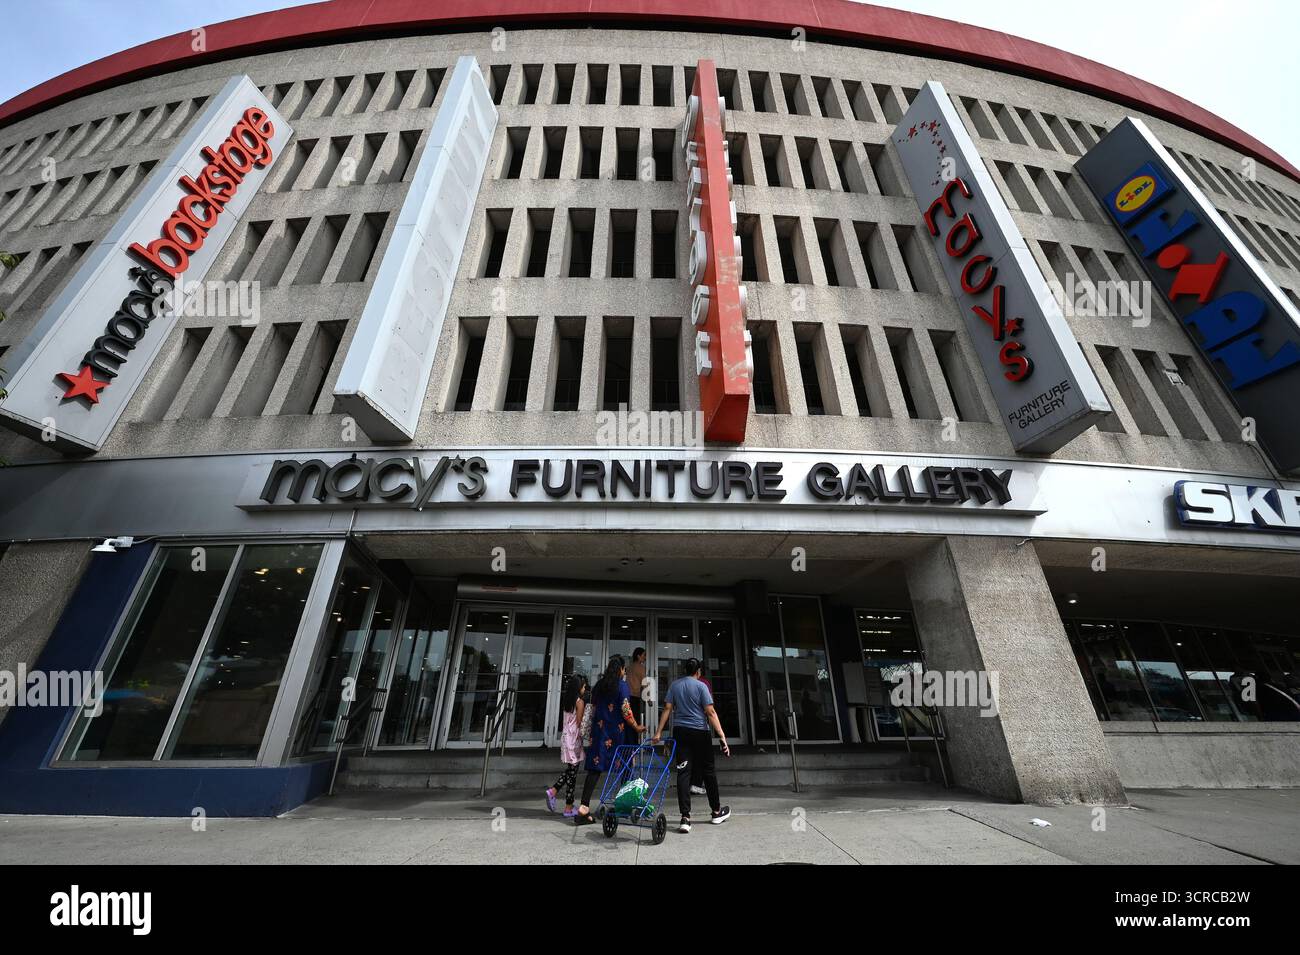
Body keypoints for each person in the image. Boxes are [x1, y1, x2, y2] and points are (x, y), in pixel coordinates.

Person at [653, 657, 730, 833]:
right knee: (708, 771)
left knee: (683, 772)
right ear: (698, 671)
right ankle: (716, 812)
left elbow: (667, 709)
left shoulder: (675, 685)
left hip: (681, 732)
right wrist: (722, 735)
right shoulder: (702, 686)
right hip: (700, 733)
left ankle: (685, 818)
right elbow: (710, 712)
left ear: (685, 670)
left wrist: (658, 732)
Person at [574, 656, 647, 825]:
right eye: (624, 669)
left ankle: (583, 808)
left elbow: (591, 707)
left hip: (599, 733)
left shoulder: (599, 685)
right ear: (621, 669)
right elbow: (626, 710)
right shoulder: (622, 686)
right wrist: (637, 727)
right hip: (617, 734)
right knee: (626, 766)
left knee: (594, 769)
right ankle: (622, 805)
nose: (624, 672)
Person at [545, 674, 587, 818]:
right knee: (572, 774)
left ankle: (555, 793)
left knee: (571, 771)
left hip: (566, 737)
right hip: (574, 739)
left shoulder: (568, 700)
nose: (585, 688)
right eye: (584, 686)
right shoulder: (579, 702)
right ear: (579, 687)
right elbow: (580, 723)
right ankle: (567, 807)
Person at [626, 648, 648, 731]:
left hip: (626, 697)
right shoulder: (641, 668)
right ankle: (634, 743)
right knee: (635, 722)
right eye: (644, 655)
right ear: (638, 656)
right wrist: (649, 699)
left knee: (628, 721)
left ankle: (627, 743)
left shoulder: (629, 667)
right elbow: (645, 684)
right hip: (635, 698)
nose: (645, 657)